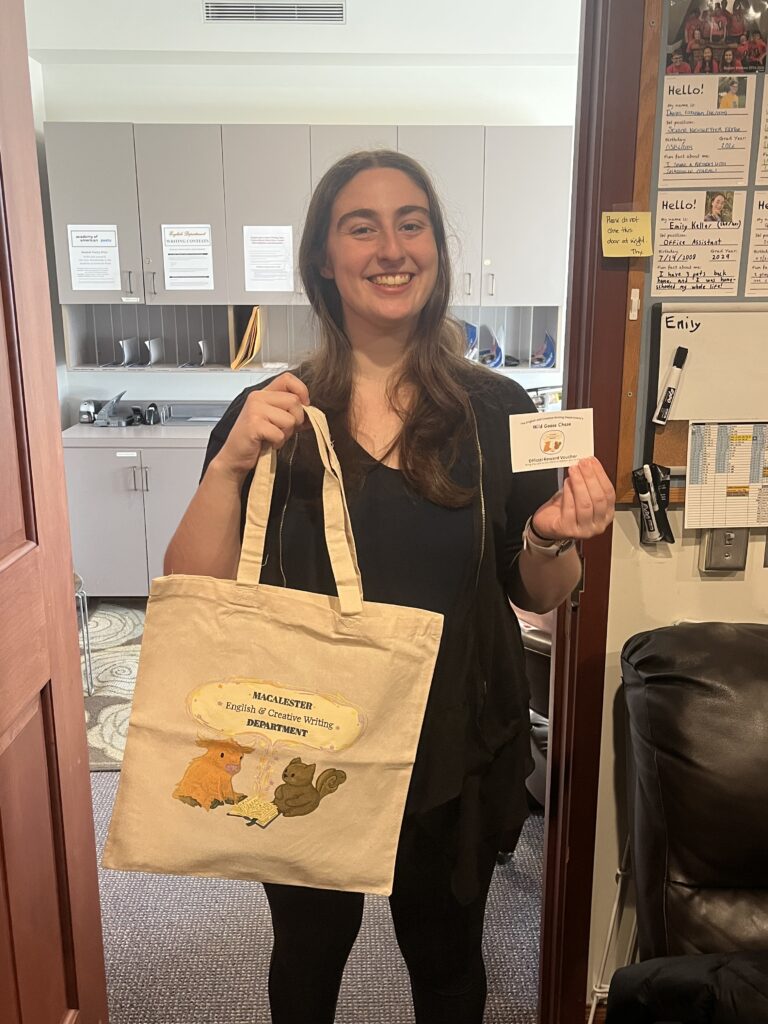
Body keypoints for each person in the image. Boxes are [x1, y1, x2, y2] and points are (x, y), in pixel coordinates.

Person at [165, 150, 615, 1024]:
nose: (391, 248)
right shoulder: (273, 411)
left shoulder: (499, 409)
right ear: (324, 259)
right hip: (302, 740)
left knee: (447, 963)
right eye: (360, 227)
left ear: (436, 249)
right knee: (308, 956)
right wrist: (228, 466)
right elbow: (192, 586)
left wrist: (554, 536)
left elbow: (539, 590)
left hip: (453, 745)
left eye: (412, 224)